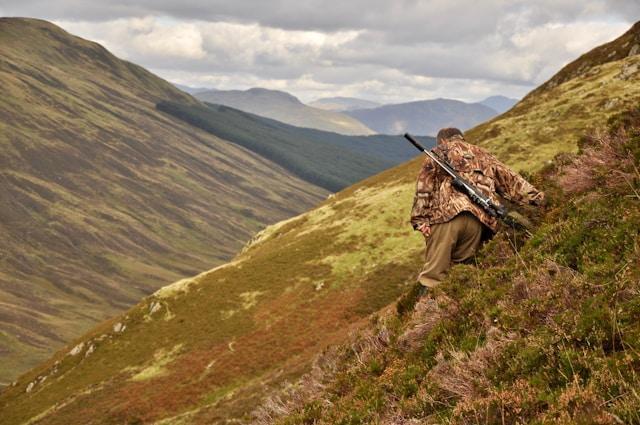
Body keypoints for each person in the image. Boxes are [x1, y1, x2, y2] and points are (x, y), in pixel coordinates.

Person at [410, 127, 544, 293]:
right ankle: (460, 304)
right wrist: (539, 199)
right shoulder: (483, 154)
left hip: (447, 218)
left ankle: (428, 307)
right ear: (461, 138)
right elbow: (512, 181)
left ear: (442, 141)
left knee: (432, 278)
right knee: (461, 272)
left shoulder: (436, 153)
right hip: (479, 223)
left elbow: (424, 189)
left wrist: (419, 220)